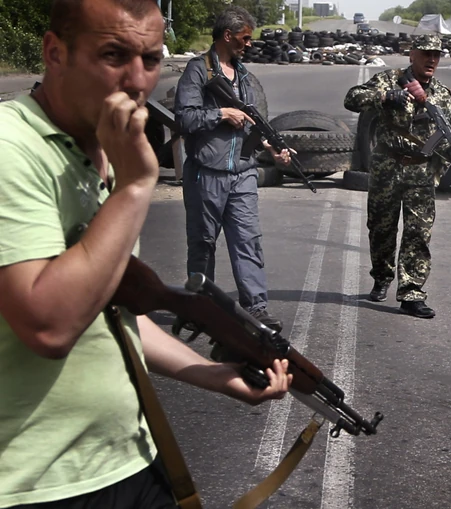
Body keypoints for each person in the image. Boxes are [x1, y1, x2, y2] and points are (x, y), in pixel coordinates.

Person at [0, 1, 291, 507]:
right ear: (55, 52)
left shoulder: (105, 147)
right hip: (36, 483)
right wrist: (136, 185)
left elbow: (114, 314)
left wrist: (212, 375)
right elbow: (49, 328)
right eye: (113, 55)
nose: (137, 81)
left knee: (248, 246)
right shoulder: (12, 148)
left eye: (151, 59)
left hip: (128, 457)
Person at [174, 6, 291, 333]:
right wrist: (221, 114)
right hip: (206, 174)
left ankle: (256, 308)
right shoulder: (198, 71)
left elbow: (256, 125)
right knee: (203, 243)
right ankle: (200, 307)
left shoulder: (246, 78)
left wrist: (273, 149)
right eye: (244, 38)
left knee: (248, 241)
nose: (249, 44)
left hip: (242, 174)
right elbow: (184, 119)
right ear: (228, 36)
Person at [343, 34, 451, 319]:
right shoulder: (389, 79)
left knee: (418, 233)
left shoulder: (441, 94)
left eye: (436, 55)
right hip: (387, 166)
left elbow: (445, 133)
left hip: (421, 171)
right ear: (412, 54)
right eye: (426, 53)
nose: (432, 59)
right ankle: (382, 276)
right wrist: (386, 96)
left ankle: (411, 293)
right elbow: (351, 98)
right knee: (381, 228)